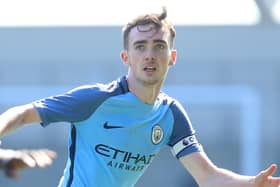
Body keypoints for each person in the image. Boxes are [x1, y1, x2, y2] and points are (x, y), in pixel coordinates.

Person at [0, 7, 279, 187]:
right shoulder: (95, 99)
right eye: (140, 46)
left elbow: (207, 175)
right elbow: (25, 113)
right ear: (126, 57)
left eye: (159, 46)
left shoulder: (169, 114)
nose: (149, 54)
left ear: (172, 57)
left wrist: (250, 183)